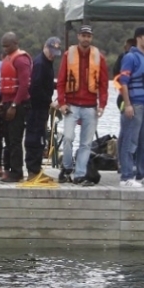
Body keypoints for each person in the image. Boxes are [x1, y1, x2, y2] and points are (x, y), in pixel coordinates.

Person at [57, 25, 109, 184]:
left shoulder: (99, 57)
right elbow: (61, 81)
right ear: (78, 37)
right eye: (83, 35)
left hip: (90, 106)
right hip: (71, 105)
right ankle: (66, 167)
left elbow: (104, 84)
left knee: (86, 143)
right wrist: (61, 102)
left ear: (91, 38)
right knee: (68, 138)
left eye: (89, 36)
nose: (86, 38)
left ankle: (79, 174)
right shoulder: (68, 55)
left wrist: (102, 105)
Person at [117, 25, 144, 187]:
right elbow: (124, 82)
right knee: (130, 141)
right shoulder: (130, 57)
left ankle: (143, 174)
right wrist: (127, 105)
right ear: (139, 38)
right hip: (134, 104)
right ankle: (127, 176)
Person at [0, 32, 33, 182]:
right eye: (3, 46)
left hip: (18, 104)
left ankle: (17, 172)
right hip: (7, 102)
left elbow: (24, 86)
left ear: (15, 43)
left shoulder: (21, 60)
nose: (5, 49)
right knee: (7, 138)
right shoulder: (7, 59)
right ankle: (9, 169)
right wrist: (2, 103)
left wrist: (14, 105)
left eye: (8, 46)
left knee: (15, 140)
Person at [24, 36, 61, 179]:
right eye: (50, 51)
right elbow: (35, 87)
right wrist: (49, 102)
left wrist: (59, 86)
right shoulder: (40, 63)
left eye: (54, 53)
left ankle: (37, 169)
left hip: (41, 108)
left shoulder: (48, 63)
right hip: (35, 108)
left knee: (40, 139)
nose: (52, 55)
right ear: (44, 47)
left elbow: (46, 83)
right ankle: (32, 171)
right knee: (34, 138)